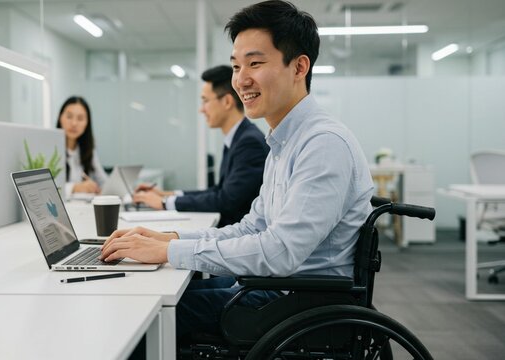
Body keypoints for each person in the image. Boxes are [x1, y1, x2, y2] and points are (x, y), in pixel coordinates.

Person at [101, 0, 374, 340]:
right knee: (151, 298)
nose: (241, 80)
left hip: (302, 308)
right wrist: (169, 239)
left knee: (144, 318)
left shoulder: (322, 144)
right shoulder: (284, 141)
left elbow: (281, 252)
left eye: (255, 64)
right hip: (279, 292)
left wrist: (168, 251)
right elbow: (251, 227)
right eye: (235, 66)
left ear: (299, 67)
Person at [133, 65, 269, 227]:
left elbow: (226, 201)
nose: (201, 109)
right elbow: (219, 191)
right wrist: (167, 194)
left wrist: (164, 202)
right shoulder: (239, 138)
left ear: (226, 101)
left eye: (205, 101)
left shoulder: (249, 143)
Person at [57, 96, 108, 197]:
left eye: (80, 118)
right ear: (60, 118)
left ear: (87, 123)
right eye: (69, 116)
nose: (74, 123)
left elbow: (103, 181)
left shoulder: (88, 149)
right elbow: (47, 188)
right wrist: (75, 188)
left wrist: (98, 188)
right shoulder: (51, 148)